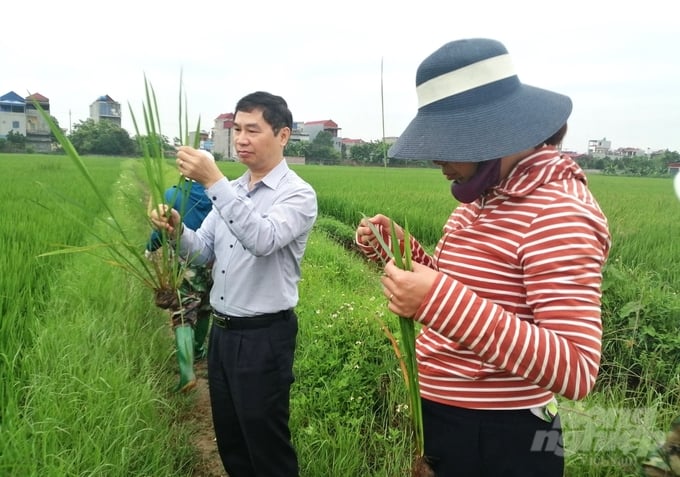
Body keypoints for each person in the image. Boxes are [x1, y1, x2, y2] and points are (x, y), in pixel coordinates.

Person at [356, 38, 611, 477]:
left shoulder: (558, 212)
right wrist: (404, 251)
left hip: (503, 438)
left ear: (493, 132)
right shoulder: (484, 198)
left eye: (448, 142)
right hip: (449, 421)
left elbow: (576, 367)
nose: (439, 161)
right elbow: (470, 292)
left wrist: (433, 299)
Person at [149, 91, 318, 477]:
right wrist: (177, 231)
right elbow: (203, 252)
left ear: (283, 135)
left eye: (252, 130)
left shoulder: (297, 195)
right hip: (223, 336)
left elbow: (261, 240)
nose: (241, 138)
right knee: (231, 441)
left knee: (266, 444)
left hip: (264, 338)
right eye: (237, 129)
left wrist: (213, 179)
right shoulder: (232, 191)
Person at [145, 152, 215, 393]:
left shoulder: (173, 195)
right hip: (214, 263)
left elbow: (164, 230)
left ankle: (186, 373)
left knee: (183, 314)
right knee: (205, 307)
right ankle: (198, 350)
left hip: (185, 262)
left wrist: (150, 247)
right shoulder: (219, 196)